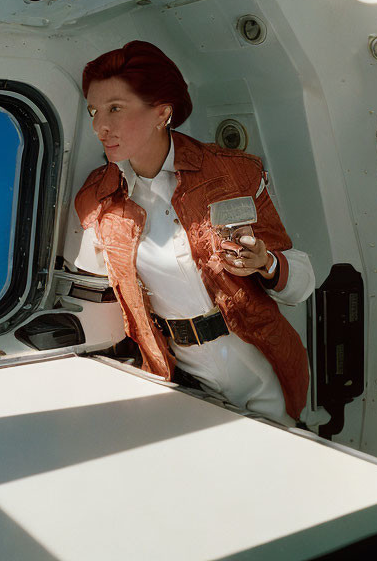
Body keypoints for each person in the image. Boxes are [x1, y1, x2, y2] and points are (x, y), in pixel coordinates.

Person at [67, 41, 314, 425]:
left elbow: (300, 284)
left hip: (257, 364)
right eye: (94, 111)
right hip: (179, 376)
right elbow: (93, 296)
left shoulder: (234, 172)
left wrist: (266, 263)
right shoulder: (98, 200)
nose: (100, 125)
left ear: (162, 112)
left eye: (115, 108)